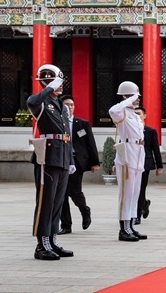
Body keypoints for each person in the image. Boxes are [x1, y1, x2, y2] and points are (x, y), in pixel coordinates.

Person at [28, 64, 74, 260]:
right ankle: (42, 244)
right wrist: (47, 88)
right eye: (57, 81)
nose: (61, 85)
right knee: (45, 202)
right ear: (47, 81)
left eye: (61, 81)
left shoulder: (62, 105)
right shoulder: (41, 101)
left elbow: (67, 134)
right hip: (47, 156)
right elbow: (31, 101)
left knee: (58, 202)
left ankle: (53, 240)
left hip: (62, 156)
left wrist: (71, 159)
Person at [110, 81, 146, 242]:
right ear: (125, 97)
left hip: (138, 154)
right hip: (126, 156)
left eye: (137, 97)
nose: (137, 100)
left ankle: (131, 225)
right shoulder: (121, 112)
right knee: (125, 194)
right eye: (133, 96)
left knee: (134, 193)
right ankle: (123, 229)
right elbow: (112, 109)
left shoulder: (135, 115)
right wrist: (128, 100)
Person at [60, 95, 99, 234]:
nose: (69, 107)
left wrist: (95, 162)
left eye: (71, 105)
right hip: (62, 160)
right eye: (66, 105)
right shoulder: (58, 122)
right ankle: (66, 225)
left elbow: (90, 143)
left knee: (74, 191)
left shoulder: (82, 123)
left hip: (77, 161)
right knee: (61, 194)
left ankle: (85, 210)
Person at [135, 107, 163, 225]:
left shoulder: (150, 131)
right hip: (132, 162)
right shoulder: (129, 129)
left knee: (140, 189)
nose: (136, 115)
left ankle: (137, 216)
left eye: (139, 113)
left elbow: (155, 149)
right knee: (133, 190)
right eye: (134, 113)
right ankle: (144, 204)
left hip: (145, 163)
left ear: (144, 115)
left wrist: (159, 166)